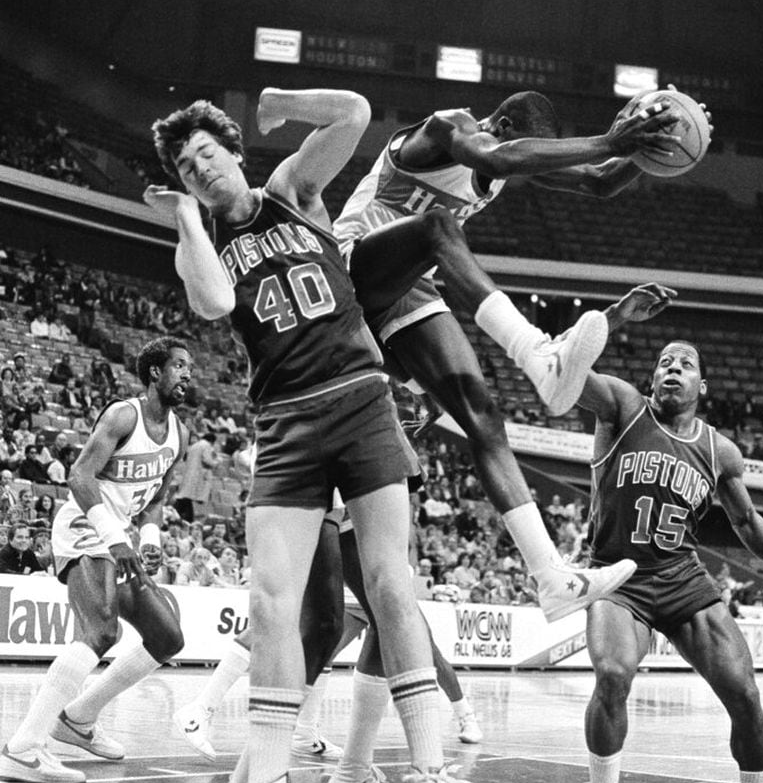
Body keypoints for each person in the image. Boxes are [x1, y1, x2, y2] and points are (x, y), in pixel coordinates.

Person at [146, 90, 464, 783]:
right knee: (269, 605)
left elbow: (357, 114)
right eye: (187, 164)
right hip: (284, 422)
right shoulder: (204, 242)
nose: (201, 165)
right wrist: (186, 213)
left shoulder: (291, 189)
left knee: (392, 590)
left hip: (360, 397)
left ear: (232, 146)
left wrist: (281, 104)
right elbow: (216, 300)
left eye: (207, 151)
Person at [241, 87, 682, 622]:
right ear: (497, 121)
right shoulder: (446, 126)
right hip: (352, 272)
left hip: (408, 294)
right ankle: (537, 354)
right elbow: (497, 156)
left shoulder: (504, 158)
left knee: (483, 416)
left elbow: (600, 181)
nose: (520, 164)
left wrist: (649, 140)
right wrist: (609, 139)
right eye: (519, 145)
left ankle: (551, 577)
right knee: (438, 228)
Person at [576, 339, 763, 783]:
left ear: (703, 387)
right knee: (611, 674)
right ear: (652, 379)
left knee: (745, 693)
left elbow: (745, 522)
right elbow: (567, 375)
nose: (673, 368)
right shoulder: (624, 409)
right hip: (618, 575)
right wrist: (614, 323)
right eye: (664, 362)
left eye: (686, 364)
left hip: (680, 577)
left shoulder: (719, 451)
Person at [0, 336, 191, 783]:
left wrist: (147, 536)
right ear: (154, 374)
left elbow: (156, 499)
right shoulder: (124, 415)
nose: (186, 374)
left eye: (189, 367)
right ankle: (23, 748)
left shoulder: (179, 433)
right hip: (86, 528)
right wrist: (114, 535)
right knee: (102, 630)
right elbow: (79, 477)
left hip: (121, 535)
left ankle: (78, 719)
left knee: (167, 637)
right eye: (179, 366)